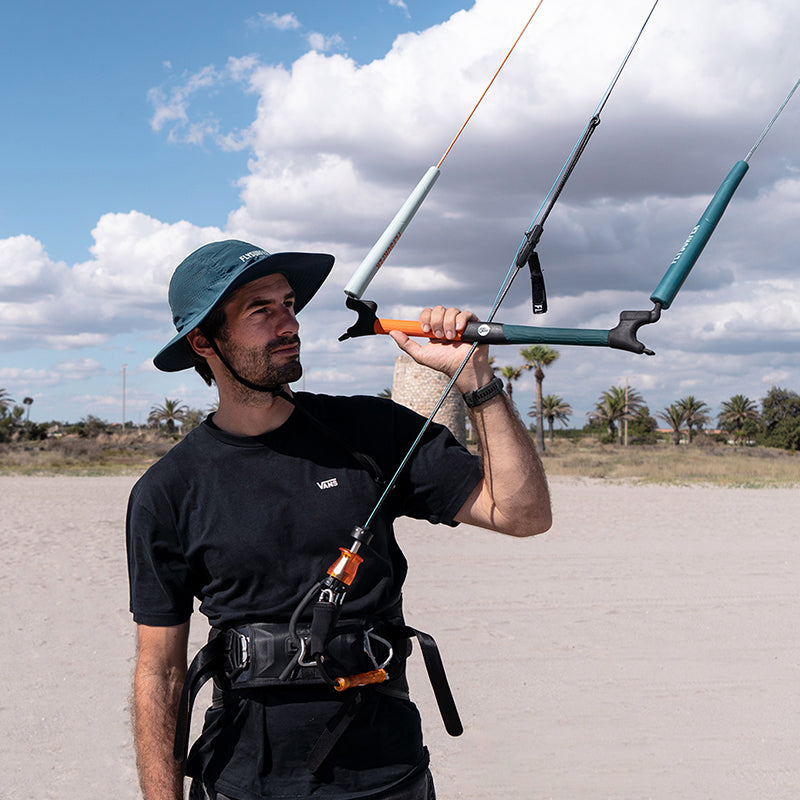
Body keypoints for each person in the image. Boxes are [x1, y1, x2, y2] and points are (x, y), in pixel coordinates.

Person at [127, 239, 551, 800]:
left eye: (289, 303)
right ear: (204, 340)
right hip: (243, 778)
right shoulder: (168, 490)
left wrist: (478, 383)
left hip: (386, 774)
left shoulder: (371, 431)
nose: (288, 323)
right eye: (261, 310)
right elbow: (160, 671)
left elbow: (522, 514)